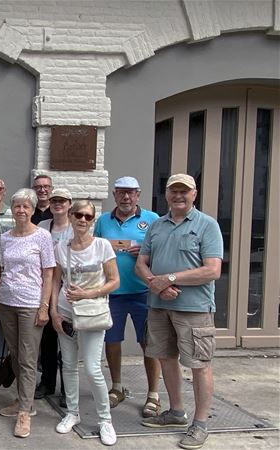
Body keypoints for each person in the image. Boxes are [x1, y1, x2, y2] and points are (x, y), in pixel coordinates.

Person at [136, 173, 223, 450]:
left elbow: (212, 270)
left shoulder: (207, 225)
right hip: (160, 306)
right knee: (166, 358)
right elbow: (141, 263)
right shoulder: (157, 225)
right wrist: (157, 286)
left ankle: (199, 423)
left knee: (199, 365)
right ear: (166, 194)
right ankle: (175, 412)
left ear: (194, 194)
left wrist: (170, 279)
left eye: (184, 191)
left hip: (194, 310)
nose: (178, 196)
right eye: (173, 191)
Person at [50, 200, 120, 446]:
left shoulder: (101, 246)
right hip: (65, 313)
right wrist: (53, 312)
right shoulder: (60, 247)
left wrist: (87, 294)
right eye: (78, 215)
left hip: (92, 314)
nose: (82, 220)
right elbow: (56, 281)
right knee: (68, 366)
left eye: (88, 217)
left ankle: (105, 420)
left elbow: (114, 281)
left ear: (93, 220)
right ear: (70, 216)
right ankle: (72, 412)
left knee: (92, 368)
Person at [93, 176, 161, 417]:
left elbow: (161, 253)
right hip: (114, 293)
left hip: (143, 292)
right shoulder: (103, 221)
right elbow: (95, 249)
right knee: (112, 341)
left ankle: (153, 395)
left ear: (138, 194)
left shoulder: (152, 220)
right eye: (121, 192)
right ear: (114, 195)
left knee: (149, 343)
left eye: (131, 193)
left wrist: (145, 254)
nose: (126, 197)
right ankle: (117, 387)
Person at [0, 188, 55, 438]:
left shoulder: (42, 236)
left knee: (28, 357)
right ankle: (24, 401)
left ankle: (24, 413)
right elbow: (3, 269)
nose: (21, 210)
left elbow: (48, 273)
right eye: (17, 206)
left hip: (31, 304)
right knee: (16, 353)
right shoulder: (5, 238)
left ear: (32, 210)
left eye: (26, 207)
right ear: (13, 209)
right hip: (7, 302)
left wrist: (44, 307)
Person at [35, 188, 73, 403]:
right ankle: (47, 383)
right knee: (48, 340)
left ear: (69, 204)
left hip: (67, 290)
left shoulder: (75, 226)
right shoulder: (42, 227)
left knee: (67, 340)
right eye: (54, 201)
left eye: (62, 201)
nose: (58, 204)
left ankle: (69, 388)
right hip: (45, 288)